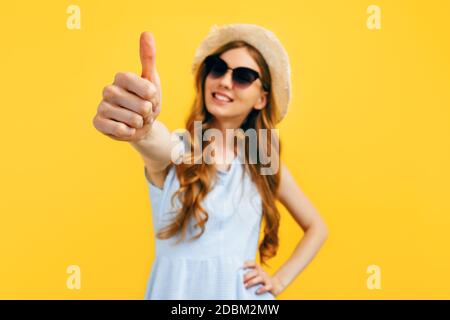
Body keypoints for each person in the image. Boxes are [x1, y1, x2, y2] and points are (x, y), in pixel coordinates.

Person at [92, 23, 329, 300]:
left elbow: (317, 227)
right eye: (218, 67)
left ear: (261, 99)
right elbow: (155, 143)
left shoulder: (262, 163)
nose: (225, 81)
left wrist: (278, 281)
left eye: (243, 76)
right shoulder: (181, 150)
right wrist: (143, 127)